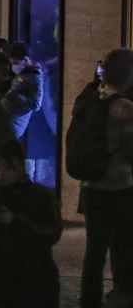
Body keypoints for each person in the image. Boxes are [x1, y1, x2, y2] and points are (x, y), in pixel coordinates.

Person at [76, 48, 133, 308]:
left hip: (91, 186)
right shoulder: (125, 108)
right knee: (123, 246)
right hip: (120, 187)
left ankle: (89, 299)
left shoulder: (89, 100)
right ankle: (122, 294)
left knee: (94, 250)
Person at [0, 139, 62, 308]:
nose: (0, 174)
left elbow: (51, 232)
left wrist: (15, 221)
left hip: (33, 280)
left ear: (21, 166)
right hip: (1, 281)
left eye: (8, 168)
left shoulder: (41, 197)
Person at [4, 41, 44, 140]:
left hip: (14, 125)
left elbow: (36, 105)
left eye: (15, 63)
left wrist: (14, 95)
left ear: (25, 60)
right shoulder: (24, 72)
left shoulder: (35, 77)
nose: (13, 66)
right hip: (6, 120)